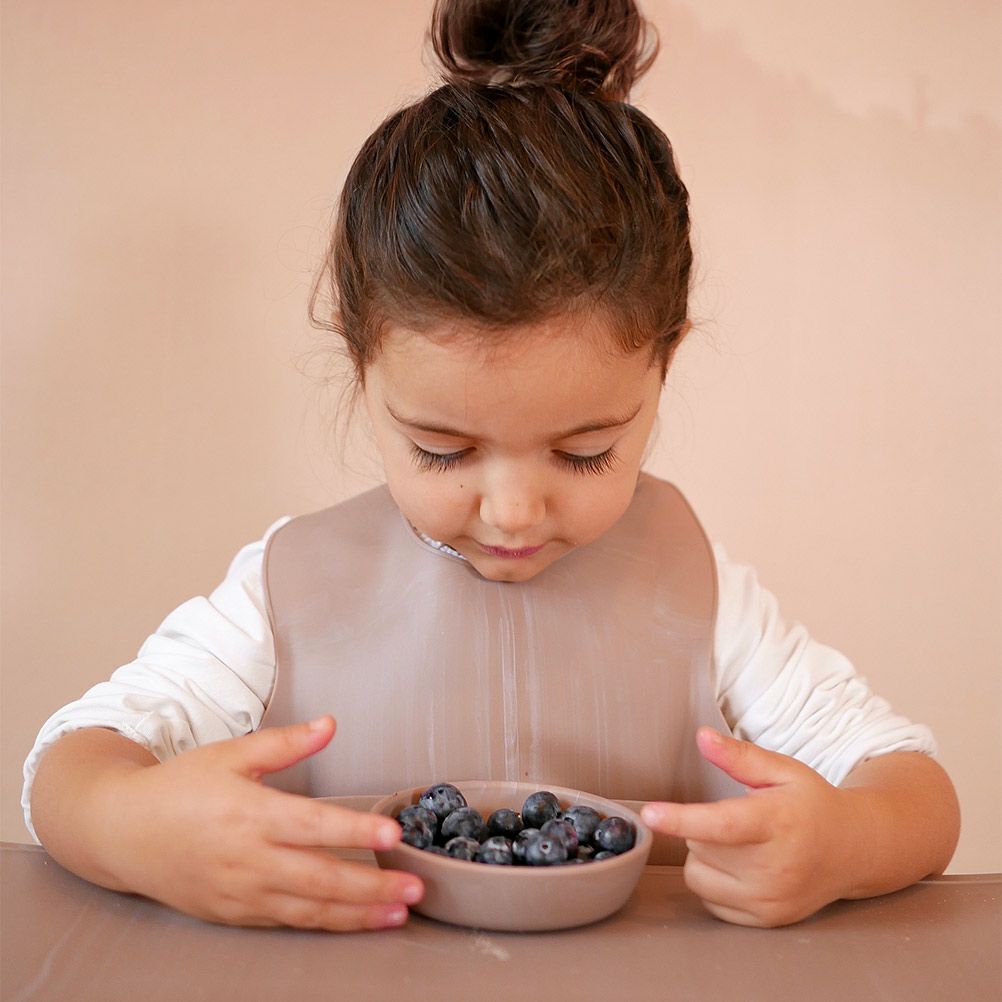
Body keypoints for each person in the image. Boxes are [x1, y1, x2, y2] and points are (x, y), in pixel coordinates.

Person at [23, 0, 959, 933]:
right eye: (444, 450)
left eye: (585, 453)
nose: (512, 510)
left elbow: (915, 791)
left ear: (663, 364)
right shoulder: (288, 594)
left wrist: (848, 839)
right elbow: (70, 768)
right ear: (361, 363)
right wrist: (136, 829)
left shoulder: (702, 597)